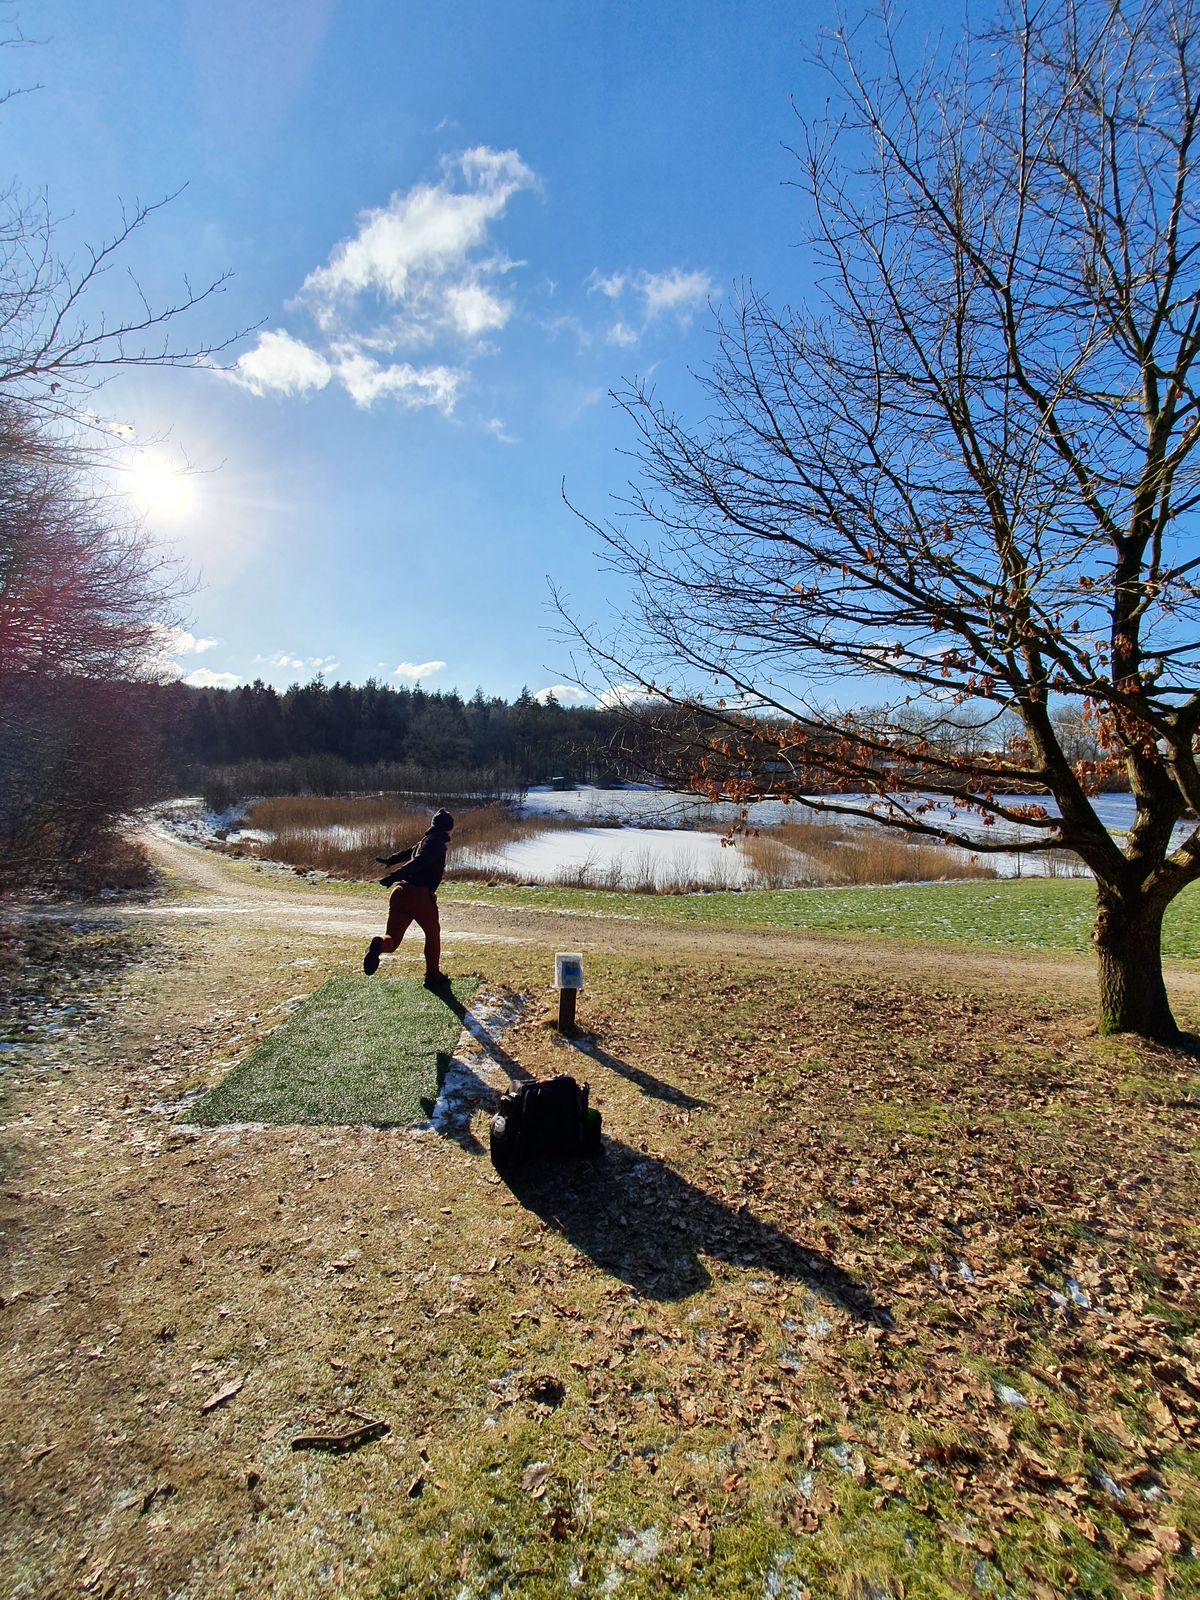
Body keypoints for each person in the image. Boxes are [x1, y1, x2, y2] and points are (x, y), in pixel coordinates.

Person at [363, 808, 454, 985]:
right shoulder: (436, 844)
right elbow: (418, 862)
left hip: (399, 893)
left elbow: (408, 853)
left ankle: (378, 945)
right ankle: (432, 975)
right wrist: (393, 875)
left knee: (393, 939)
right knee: (432, 934)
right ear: (447, 828)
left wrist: (391, 860)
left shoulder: (426, 841)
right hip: (419, 896)